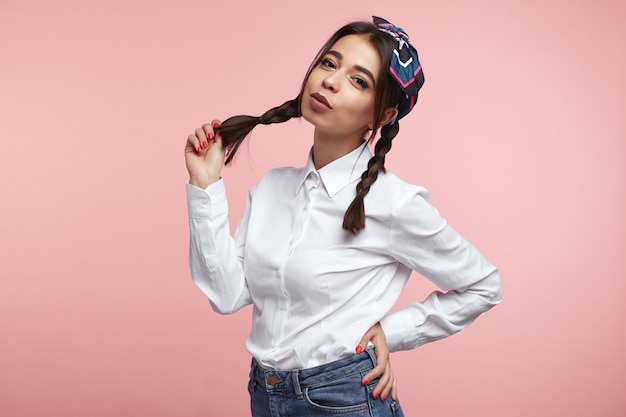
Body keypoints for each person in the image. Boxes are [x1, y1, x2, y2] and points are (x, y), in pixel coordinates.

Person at [184, 16, 502, 417]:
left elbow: (484, 286)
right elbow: (227, 296)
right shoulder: (272, 188)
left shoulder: (393, 202)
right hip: (264, 394)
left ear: (382, 116)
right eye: (330, 64)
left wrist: (393, 332)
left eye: (359, 81)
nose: (331, 81)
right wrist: (205, 185)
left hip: (343, 398)